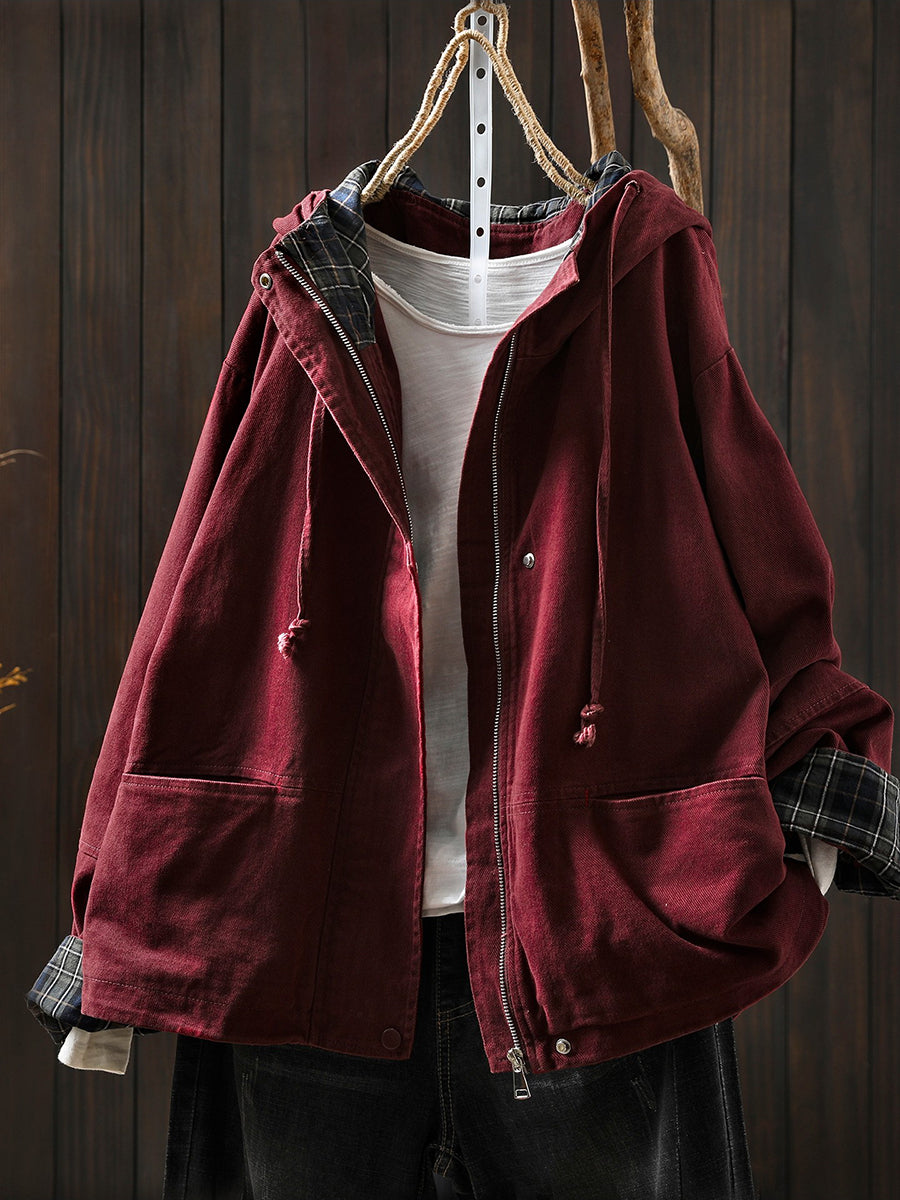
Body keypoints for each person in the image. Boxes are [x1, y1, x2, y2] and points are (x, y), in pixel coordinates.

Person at [28, 152, 898, 1198]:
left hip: (601, 935)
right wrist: (109, 911)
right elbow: (200, 596)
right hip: (306, 931)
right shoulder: (306, 288)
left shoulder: (646, 275)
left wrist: (821, 788)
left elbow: (767, 550)